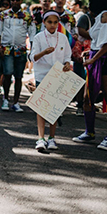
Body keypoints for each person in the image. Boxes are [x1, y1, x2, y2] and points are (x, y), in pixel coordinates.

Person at [73, 0, 107, 150]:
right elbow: (98, 39)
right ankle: (89, 132)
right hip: (96, 58)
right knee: (88, 98)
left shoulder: (106, 16)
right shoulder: (101, 16)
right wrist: (91, 52)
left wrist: (94, 57)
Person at [29, 11, 72, 151]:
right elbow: (32, 57)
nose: (52, 25)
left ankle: (52, 138)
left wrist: (66, 63)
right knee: (42, 107)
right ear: (44, 23)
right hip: (43, 75)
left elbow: (67, 55)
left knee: (54, 108)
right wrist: (44, 53)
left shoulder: (63, 37)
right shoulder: (38, 37)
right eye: (49, 22)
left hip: (57, 75)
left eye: (55, 22)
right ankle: (40, 138)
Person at [0, 0, 36, 112]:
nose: (15, 2)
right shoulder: (4, 15)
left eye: (17, 0)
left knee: (18, 76)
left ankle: (16, 102)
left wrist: (31, 50)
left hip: (21, 49)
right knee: (7, 74)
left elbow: (32, 34)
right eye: (13, 0)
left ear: (21, 1)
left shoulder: (27, 16)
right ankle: (5, 99)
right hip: (7, 49)